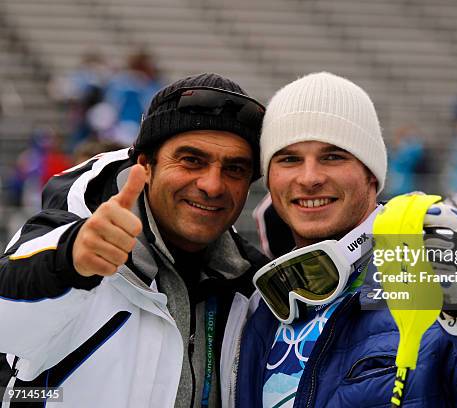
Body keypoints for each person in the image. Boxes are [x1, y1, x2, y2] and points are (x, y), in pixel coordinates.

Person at [226, 72, 457, 407]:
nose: (310, 177)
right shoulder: (257, 306)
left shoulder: (433, 274)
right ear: (270, 180)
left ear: (372, 175)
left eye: (334, 156)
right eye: (289, 159)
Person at [0, 73, 268, 407]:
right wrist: (71, 259)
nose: (212, 185)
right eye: (191, 160)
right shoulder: (76, 243)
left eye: (235, 169)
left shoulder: (253, 290)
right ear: (146, 164)